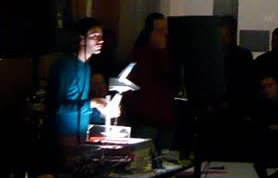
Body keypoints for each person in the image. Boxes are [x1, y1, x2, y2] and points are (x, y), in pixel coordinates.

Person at [45, 18, 120, 169]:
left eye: (101, 36)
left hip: (80, 140)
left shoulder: (86, 67)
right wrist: (94, 103)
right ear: (81, 39)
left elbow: (81, 107)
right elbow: (58, 107)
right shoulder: (65, 65)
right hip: (62, 141)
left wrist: (101, 113)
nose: (100, 40)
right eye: (94, 36)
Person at [126, 12, 178, 157]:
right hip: (147, 119)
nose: (164, 34)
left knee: (165, 158)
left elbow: (172, 76)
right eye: (159, 30)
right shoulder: (140, 55)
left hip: (166, 117)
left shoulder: (169, 53)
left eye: (165, 30)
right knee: (143, 158)